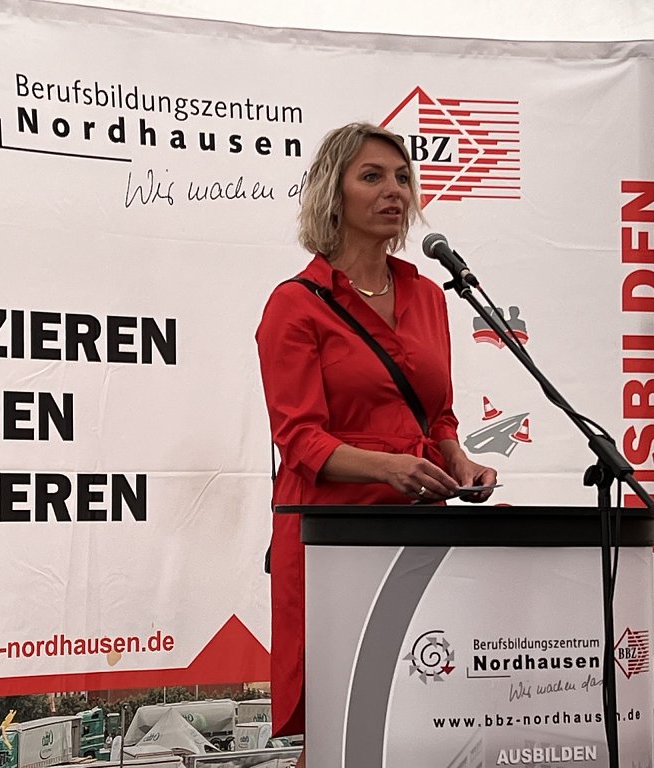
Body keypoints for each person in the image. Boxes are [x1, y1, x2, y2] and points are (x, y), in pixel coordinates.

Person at [256, 122, 497, 762]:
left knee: (418, 715)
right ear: (332, 194)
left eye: (402, 177)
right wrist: (389, 468)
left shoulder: (427, 295)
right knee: (338, 730)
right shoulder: (294, 305)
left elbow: (437, 417)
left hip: (417, 531)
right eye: (372, 176)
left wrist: (458, 461)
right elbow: (299, 440)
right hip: (333, 537)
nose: (395, 190)